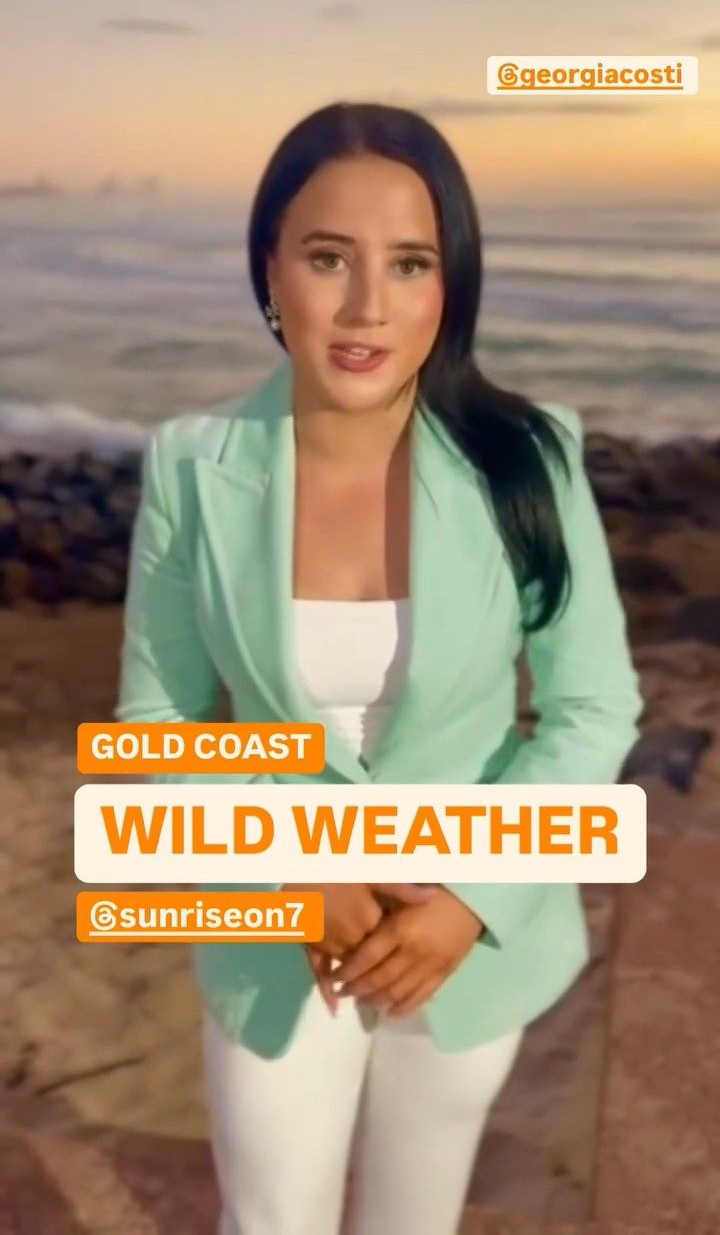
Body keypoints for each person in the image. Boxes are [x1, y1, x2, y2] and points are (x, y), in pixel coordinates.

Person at [115, 101, 644, 1234]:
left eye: (409, 263)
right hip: (274, 934)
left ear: (451, 282)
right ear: (271, 268)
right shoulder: (195, 467)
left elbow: (593, 705)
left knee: (417, 1218)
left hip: (465, 945)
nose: (367, 307)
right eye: (327, 258)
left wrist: (471, 896)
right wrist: (292, 875)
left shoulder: (528, 459)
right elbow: (159, 718)